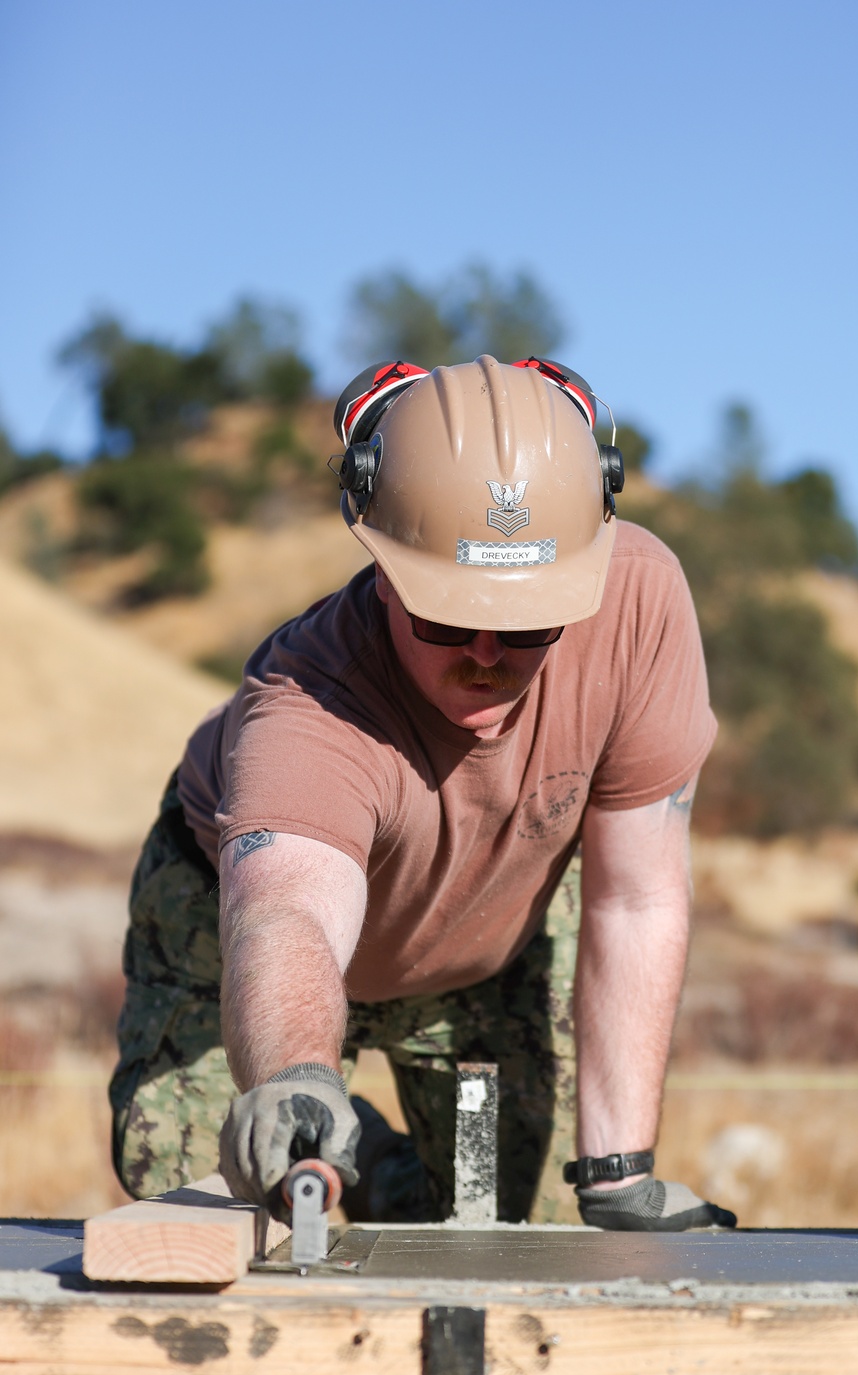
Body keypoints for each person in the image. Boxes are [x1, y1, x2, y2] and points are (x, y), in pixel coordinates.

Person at [110, 354, 736, 1232]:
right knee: (224, 1183)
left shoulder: (639, 601)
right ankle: (329, 1119)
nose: (485, 652)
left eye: (525, 623)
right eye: (446, 616)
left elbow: (635, 897)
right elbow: (286, 916)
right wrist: (296, 1077)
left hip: (481, 944)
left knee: (508, 1224)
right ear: (385, 568)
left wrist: (618, 1173)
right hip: (242, 943)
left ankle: (392, 1172)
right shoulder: (307, 706)